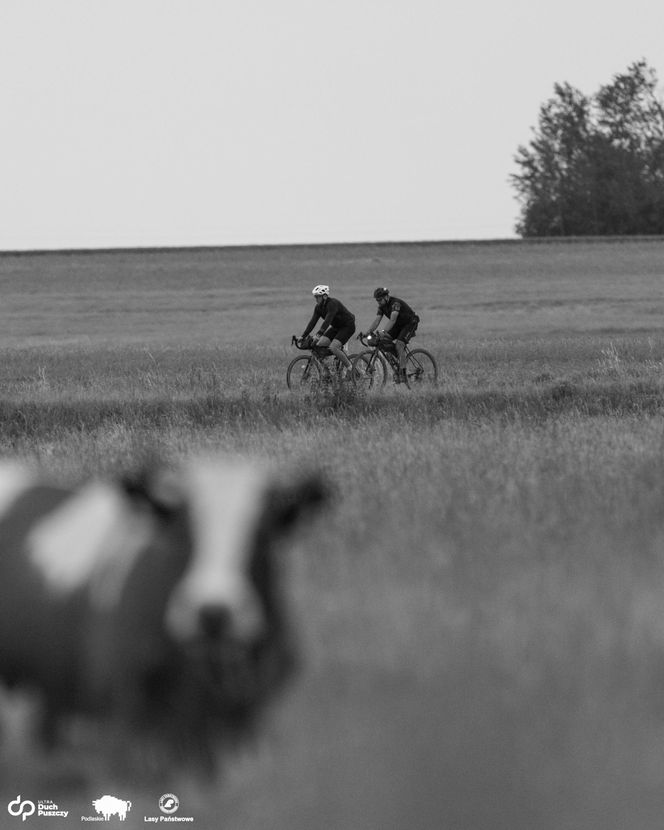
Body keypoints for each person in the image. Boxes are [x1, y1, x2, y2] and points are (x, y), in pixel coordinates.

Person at [299, 285, 357, 376]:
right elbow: (312, 322)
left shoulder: (332, 304)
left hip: (347, 326)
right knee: (318, 346)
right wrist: (303, 335)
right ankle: (328, 372)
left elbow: (327, 321)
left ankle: (351, 369)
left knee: (333, 347)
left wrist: (318, 335)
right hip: (336, 327)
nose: (316, 299)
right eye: (315, 297)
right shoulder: (318, 307)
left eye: (318, 296)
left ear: (325, 296)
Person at [365, 287, 419, 381]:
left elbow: (392, 320)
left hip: (410, 323)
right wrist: (367, 332)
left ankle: (402, 373)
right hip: (399, 325)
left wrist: (383, 332)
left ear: (386, 297)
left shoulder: (395, 304)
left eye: (380, 299)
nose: (378, 302)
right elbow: (377, 320)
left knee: (399, 344)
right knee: (383, 341)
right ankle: (399, 359)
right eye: (377, 300)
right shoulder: (381, 307)